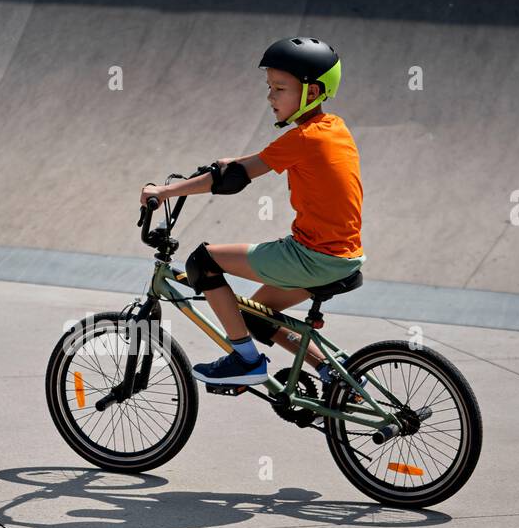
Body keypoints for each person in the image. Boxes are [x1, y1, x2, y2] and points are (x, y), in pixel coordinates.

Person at [139, 36, 365, 386]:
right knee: (259, 317)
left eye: (280, 88)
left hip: (312, 257)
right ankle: (331, 371)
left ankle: (245, 360)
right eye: (269, 87)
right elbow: (249, 164)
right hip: (343, 258)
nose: (270, 97)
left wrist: (164, 191)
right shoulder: (332, 129)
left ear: (312, 91)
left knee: (203, 262)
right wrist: (229, 164)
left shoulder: (303, 139)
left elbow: (234, 179)